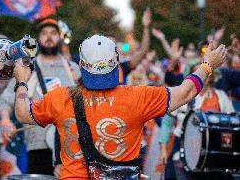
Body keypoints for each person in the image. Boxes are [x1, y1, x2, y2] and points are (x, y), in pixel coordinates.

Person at [13, 35, 227, 179]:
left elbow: (23, 113)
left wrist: (22, 81)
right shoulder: (138, 96)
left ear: (81, 65)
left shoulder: (60, 98)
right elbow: (186, 91)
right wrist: (207, 65)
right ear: (116, 62)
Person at [0, 18, 81, 177]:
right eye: (44, 33)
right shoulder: (26, 67)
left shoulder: (73, 69)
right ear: (38, 39)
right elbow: (6, 98)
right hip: (37, 145)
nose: (48, 37)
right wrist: (5, 120)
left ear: (59, 37)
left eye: (53, 33)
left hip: (70, 146)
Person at [159, 65, 235, 180]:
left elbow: (232, 124)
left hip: (212, 158)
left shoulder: (221, 97)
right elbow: (167, 123)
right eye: (197, 71)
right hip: (182, 155)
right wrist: (163, 149)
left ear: (211, 76)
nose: (202, 74)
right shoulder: (182, 95)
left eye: (206, 72)